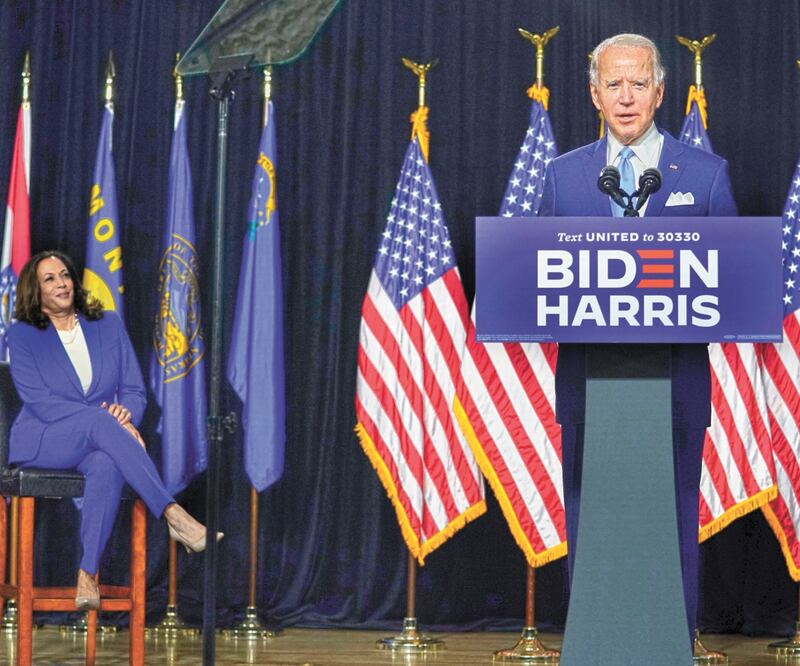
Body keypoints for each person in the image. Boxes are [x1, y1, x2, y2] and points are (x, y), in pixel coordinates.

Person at [538, 33, 737, 644]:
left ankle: (673, 646)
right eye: (614, 84)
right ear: (594, 95)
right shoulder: (563, 177)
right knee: (592, 526)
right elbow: (534, 279)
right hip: (589, 392)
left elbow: (733, 283)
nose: (627, 97)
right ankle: (595, 647)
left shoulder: (705, 175)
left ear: (660, 91)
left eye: (639, 83)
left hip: (673, 391)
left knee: (671, 529)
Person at [5, 250, 222, 610]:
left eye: (65, 275)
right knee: (100, 424)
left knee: (107, 463)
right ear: (35, 290)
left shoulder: (107, 325)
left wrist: (125, 416)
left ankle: (87, 573)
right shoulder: (23, 335)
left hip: (97, 439)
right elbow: (40, 402)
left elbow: (134, 391)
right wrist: (108, 422)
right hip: (44, 438)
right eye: (50, 279)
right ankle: (174, 516)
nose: (62, 283)